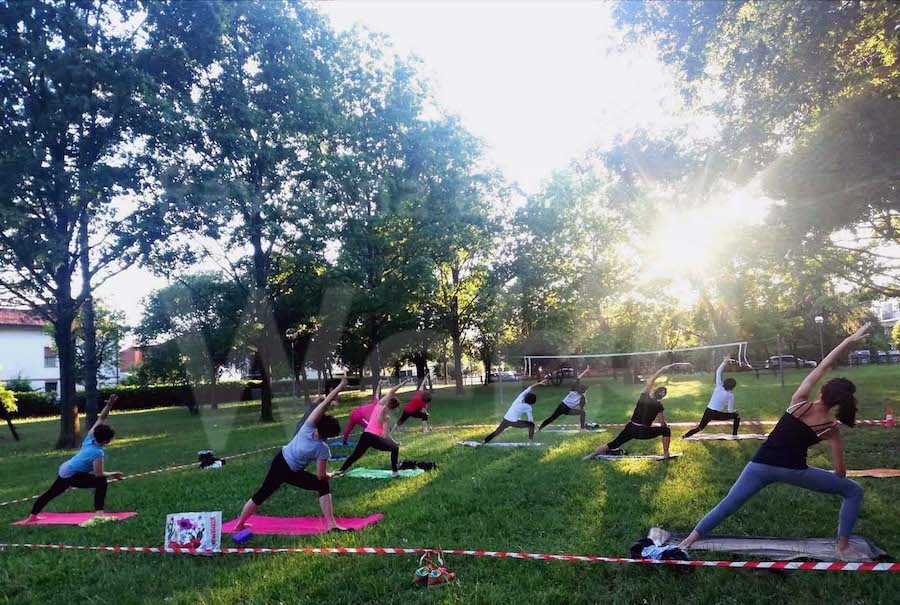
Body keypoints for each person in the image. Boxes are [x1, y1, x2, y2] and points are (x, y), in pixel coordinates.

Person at [676, 324, 870, 561]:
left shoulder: (799, 401)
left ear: (822, 390)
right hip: (795, 472)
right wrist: (829, 468)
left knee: (728, 504)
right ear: (839, 403)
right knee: (853, 491)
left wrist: (848, 340)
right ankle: (842, 546)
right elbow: (840, 473)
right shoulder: (830, 428)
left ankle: (689, 540)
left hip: (759, 466)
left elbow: (823, 365)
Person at [233, 379, 348, 532]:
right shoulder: (322, 449)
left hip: (282, 461)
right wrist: (330, 474)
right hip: (286, 468)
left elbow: (325, 402)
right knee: (322, 484)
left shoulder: (308, 426)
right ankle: (331, 524)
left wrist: (340, 386)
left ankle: (239, 524)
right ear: (330, 435)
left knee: (263, 493)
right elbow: (321, 476)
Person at [26, 395, 124, 522]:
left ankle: (32, 517)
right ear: (106, 440)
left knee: (51, 493)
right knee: (101, 482)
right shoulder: (98, 453)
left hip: (67, 468)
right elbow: (99, 474)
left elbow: (101, 418)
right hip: (71, 475)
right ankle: (99, 515)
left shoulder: (90, 438)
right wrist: (113, 474)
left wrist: (109, 405)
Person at [583, 363, 679, 460]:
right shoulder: (659, 406)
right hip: (643, 431)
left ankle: (591, 456)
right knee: (666, 430)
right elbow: (662, 424)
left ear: (654, 391)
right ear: (662, 397)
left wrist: (662, 369)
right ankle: (666, 454)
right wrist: (665, 425)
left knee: (613, 444)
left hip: (630, 428)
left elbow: (651, 381)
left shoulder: (643, 397)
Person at [335, 379, 412, 477]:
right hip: (374, 438)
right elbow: (384, 435)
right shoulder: (386, 418)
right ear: (394, 408)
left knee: (355, 455)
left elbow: (391, 392)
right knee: (395, 448)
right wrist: (393, 442)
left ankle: (340, 471)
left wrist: (402, 383)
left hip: (365, 435)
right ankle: (395, 472)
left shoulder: (378, 405)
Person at [683, 356, 741, 438]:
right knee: (736, 416)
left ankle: (684, 436)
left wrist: (724, 362)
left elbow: (718, 372)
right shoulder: (730, 395)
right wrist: (735, 411)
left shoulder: (719, 386)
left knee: (700, 427)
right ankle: (734, 435)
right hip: (717, 414)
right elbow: (730, 410)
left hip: (708, 411)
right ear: (733, 387)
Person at [483, 377, 549, 443]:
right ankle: (530, 441)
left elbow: (530, 387)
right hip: (514, 422)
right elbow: (530, 419)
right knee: (531, 425)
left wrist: (538, 383)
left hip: (506, 419)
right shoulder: (528, 407)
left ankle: (484, 441)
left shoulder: (520, 397)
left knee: (497, 431)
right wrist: (532, 425)